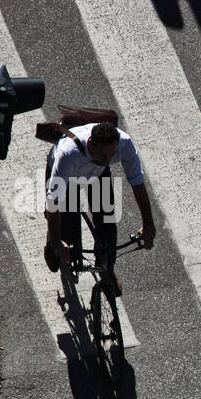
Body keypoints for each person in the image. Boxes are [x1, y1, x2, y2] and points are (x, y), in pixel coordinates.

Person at [43, 121, 156, 294]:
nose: (108, 159)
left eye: (112, 154)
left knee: (107, 226)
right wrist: (57, 241)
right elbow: (55, 200)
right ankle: (51, 237)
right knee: (68, 236)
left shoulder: (124, 144)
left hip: (96, 174)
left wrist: (148, 224)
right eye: (103, 154)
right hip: (67, 177)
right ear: (90, 144)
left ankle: (107, 271)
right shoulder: (68, 154)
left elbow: (138, 183)